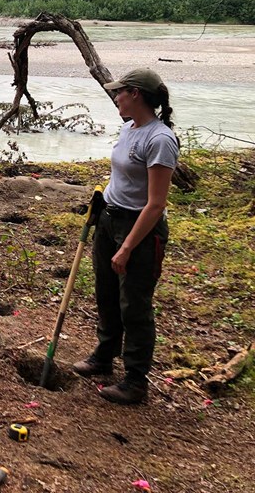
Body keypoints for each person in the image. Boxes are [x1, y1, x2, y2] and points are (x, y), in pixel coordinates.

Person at [72, 68, 179, 404]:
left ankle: (135, 380)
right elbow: (122, 177)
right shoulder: (129, 128)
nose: (115, 97)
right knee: (106, 293)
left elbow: (156, 203)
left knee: (134, 303)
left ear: (136, 94)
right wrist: (101, 203)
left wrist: (128, 246)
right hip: (109, 219)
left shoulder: (160, 140)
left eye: (120, 92)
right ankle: (103, 357)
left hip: (140, 230)